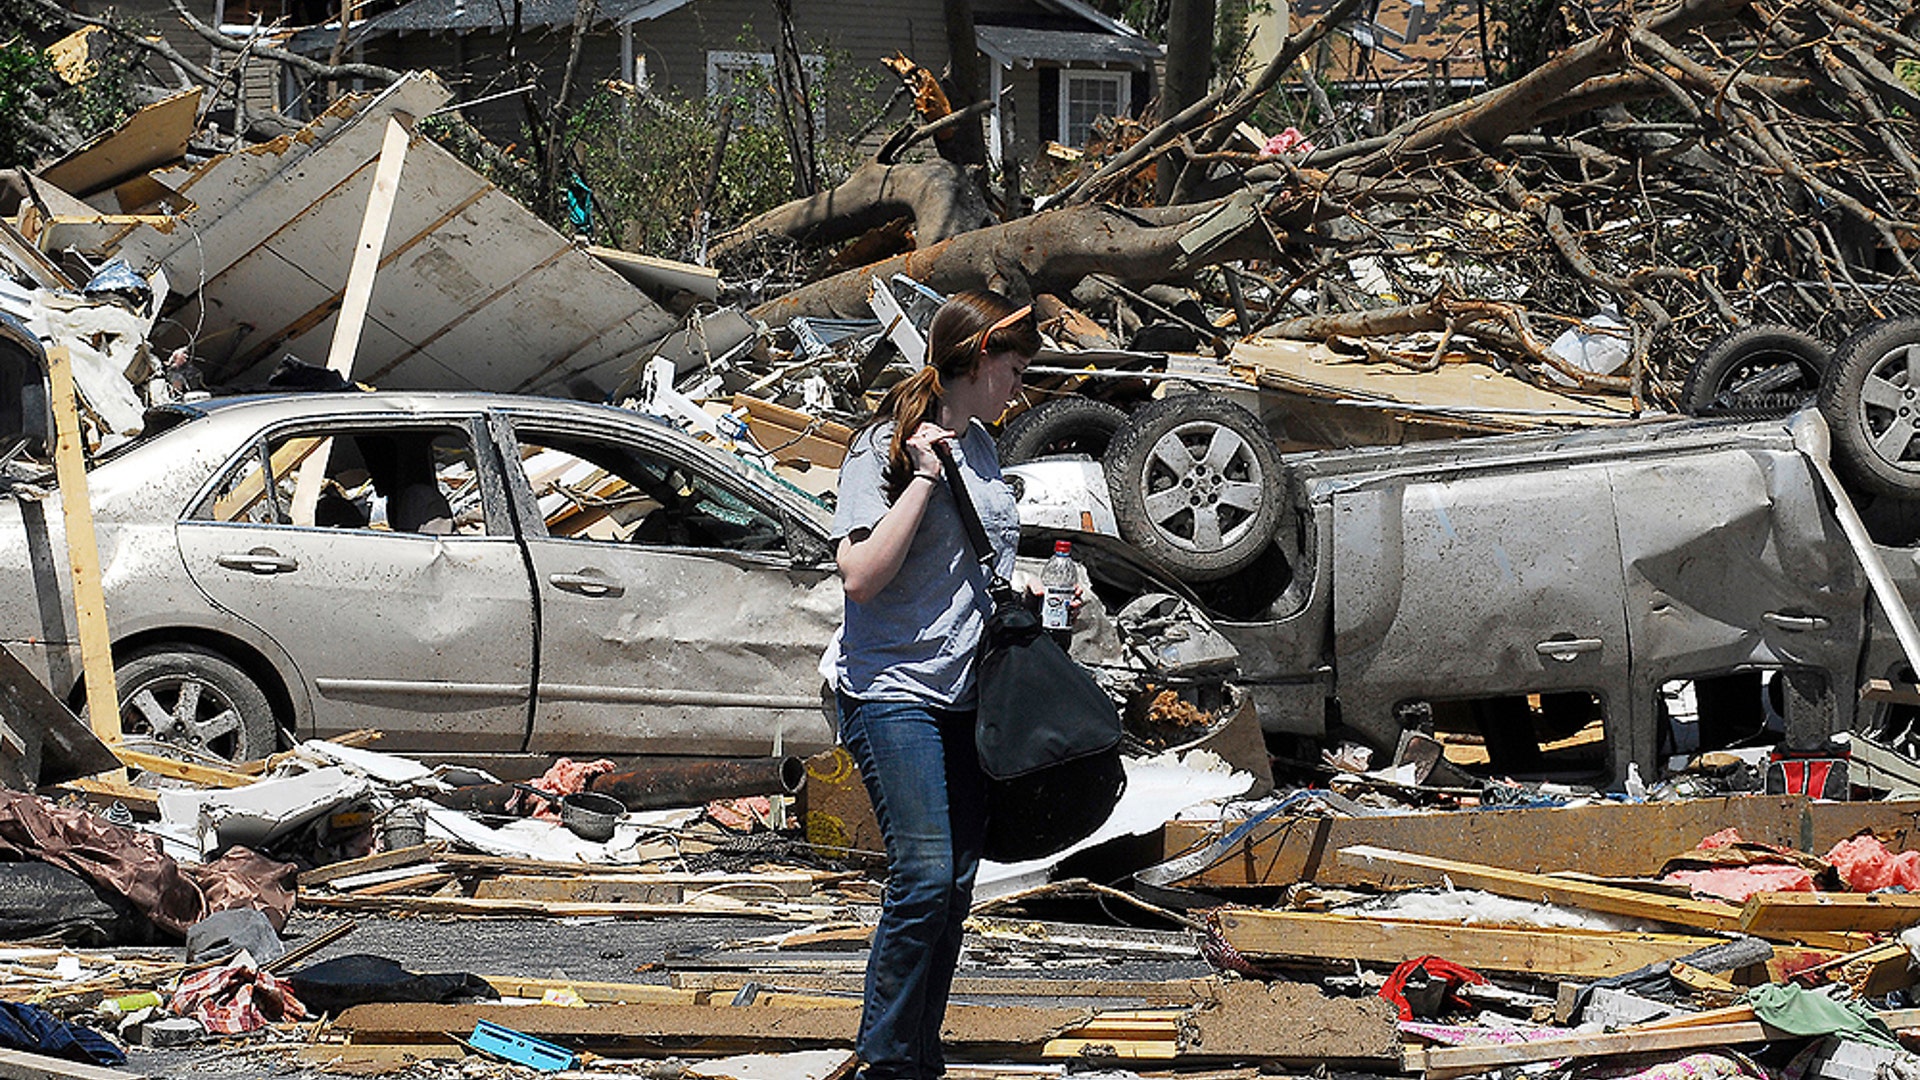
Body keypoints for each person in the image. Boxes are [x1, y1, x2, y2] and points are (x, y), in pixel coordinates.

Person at [827, 290, 1040, 1080]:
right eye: (1013, 370)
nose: (1019, 388)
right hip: (893, 689)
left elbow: (972, 560)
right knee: (920, 876)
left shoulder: (983, 445)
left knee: (952, 886)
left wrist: (1029, 594)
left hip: (967, 695)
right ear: (977, 360)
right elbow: (860, 576)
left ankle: (918, 1056)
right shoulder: (879, 446)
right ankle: (884, 1059)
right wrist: (922, 478)